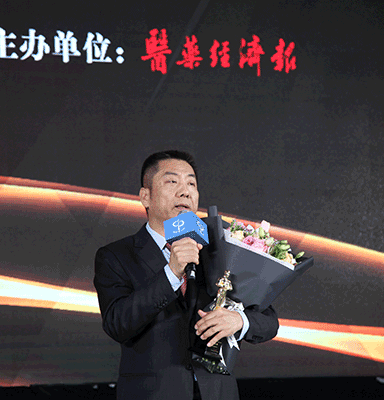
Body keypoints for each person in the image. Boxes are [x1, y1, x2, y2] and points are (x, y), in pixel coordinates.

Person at [94, 150, 278, 399]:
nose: (185, 192)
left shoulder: (220, 249)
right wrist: (171, 273)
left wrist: (239, 321)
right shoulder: (116, 256)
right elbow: (117, 324)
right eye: (172, 181)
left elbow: (269, 320)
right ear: (145, 196)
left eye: (191, 184)